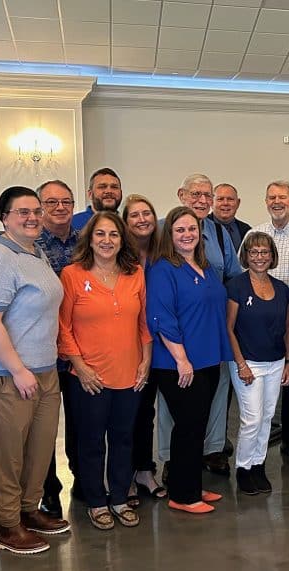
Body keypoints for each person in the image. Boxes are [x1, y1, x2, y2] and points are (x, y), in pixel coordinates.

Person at [0, 186, 70, 555]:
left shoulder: (35, 252)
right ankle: (8, 526)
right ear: (4, 217)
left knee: (38, 451)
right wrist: (18, 370)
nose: (32, 218)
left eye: (36, 211)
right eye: (22, 212)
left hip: (42, 369)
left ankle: (28, 510)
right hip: (3, 374)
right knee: (6, 453)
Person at [57, 212, 152, 530]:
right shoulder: (71, 274)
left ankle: (120, 498)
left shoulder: (135, 273)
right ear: (90, 238)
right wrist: (80, 367)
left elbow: (143, 324)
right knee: (92, 441)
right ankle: (97, 501)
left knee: (125, 439)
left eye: (114, 234)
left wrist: (145, 360)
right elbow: (63, 327)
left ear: (122, 240)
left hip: (130, 373)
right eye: (101, 234)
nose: (107, 240)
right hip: (90, 378)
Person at [146, 207, 231, 514]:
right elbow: (161, 317)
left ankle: (192, 483)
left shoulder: (205, 267)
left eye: (192, 229)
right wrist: (181, 359)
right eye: (180, 230)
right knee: (187, 426)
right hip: (178, 364)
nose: (187, 235)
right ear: (170, 234)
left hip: (208, 360)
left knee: (198, 426)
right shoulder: (163, 269)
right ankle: (182, 495)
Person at [173, 173, 242, 478]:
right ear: (181, 195)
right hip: (181, 328)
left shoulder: (218, 232)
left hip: (215, 327)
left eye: (207, 196)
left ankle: (213, 449)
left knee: (217, 388)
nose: (202, 201)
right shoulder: (168, 228)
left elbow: (233, 275)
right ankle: (174, 458)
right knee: (179, 395)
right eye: (195, 194)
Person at [226, 232, 289, 495]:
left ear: (272, 256)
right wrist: (241, 364)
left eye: (265, 252)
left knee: (266, 417)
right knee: (251, 419)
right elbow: (228, 328)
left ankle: (258, 465)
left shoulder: (282, 289)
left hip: (275, 362)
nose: (259, 257)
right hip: (248, 362)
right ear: (246, 256)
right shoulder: (236, 286)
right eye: (254, 252)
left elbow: (287, 328)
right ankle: (243, 468)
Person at [249, 181, 289, 463]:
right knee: (259, 382)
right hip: (260, 321)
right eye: (271, 197)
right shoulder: (254, 234)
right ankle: (256, 438)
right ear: (265, 201)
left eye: (282, 197)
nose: (277, 201)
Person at [35, 179, 80, 520]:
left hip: (81, 350)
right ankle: (48, 490)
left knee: (81, 421)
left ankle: (84, 480)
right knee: (45, 426)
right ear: (40, 207)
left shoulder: (86, 243)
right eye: (52, 203)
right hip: (44, 349)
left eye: (66, 201)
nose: (60, 208)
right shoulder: (31, 246)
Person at [121, 194, 167, 503]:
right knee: (127, 413)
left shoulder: (163, 254)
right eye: (134, 215)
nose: (142, 219)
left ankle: (145, 470)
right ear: (125, 222)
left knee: (146, 410)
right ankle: (124, 476)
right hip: (125, 342)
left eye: (146, 213)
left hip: (160, 342)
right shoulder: (119, 255)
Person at [209, 183, 251, 252]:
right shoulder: (201, 227)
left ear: (238, 203)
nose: (225, 203)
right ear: (211, 202)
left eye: (230, 199)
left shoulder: (246, 230)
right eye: (220, 199)